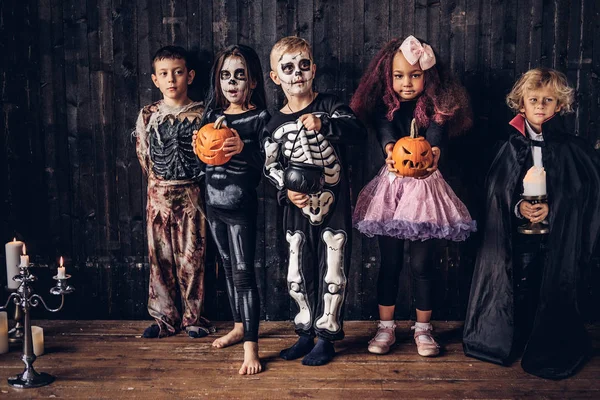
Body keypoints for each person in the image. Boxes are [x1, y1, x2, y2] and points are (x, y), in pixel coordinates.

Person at [463, 68, 600, 379]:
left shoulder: (573, 149)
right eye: (534, 99)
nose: (540, 106)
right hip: (519, 236)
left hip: (557, 237)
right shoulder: (508, 147)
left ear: (559, 106)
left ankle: (547, 341)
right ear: (520, 104)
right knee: (520, 283)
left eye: (548, 100)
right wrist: (518, 206)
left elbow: (584, 195)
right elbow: (494, 195)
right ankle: (515, 338)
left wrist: (554, 208)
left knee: (549, 284)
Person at [350, 36, 475, 356]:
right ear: (387, 77)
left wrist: (432, 150)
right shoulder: (383, 106)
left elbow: (434, 136)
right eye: (399, 75)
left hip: (424, 190)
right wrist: (391, 150)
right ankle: (386, 328)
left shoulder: (437, 107)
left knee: (422, 264)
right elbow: (386, 134)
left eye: (415, 75)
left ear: (429, 77)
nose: (406, 82)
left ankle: (423, 330)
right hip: (391, 190)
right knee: (389, 262)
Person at [262, 36, 366, 366]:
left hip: (333, 203)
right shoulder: (273, 122)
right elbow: (270, 167)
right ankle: (305, 332)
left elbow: (357, 132)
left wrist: (326, 123)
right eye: (288, 68)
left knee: (332, 270)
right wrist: (285, 192)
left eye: (303, 65)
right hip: (296, 207)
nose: (297, 73)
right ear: (275, 76)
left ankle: (327, 335)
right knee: (298, 270)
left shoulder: (331, 105)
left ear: (313, 70)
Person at [195, 44, 269, 375]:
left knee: (243, 272)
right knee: (225, 266)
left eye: (240, 75)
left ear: (253, 81)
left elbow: (269, 167)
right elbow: (205, 158)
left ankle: (251, 349)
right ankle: (238, 326)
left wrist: (244, 149)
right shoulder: (212, 115)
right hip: (213, 203)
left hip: (240, 206)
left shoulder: (259, 118)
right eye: (226, 75)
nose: (233, 82)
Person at [134, 46, 213, 339]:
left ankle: (194, 318)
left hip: (192, 196)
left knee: (192, 260)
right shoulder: (148, 114)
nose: (172, 79)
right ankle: (164, 318)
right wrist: (159, 183)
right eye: (164, 74)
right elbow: (144, 155)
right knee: (160, 260)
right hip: (158, 197)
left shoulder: (203, 112)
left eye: (178, 72)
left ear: (189, 76)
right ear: (155, 79)